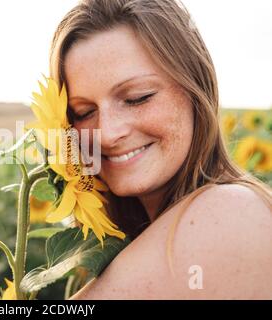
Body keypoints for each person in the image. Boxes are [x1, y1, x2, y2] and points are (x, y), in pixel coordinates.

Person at [48, 0, 272, 299]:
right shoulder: (127, 238)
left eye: (137, 98)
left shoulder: (230, 211)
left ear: (196, 88)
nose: (108, 134)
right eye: (83, 112)